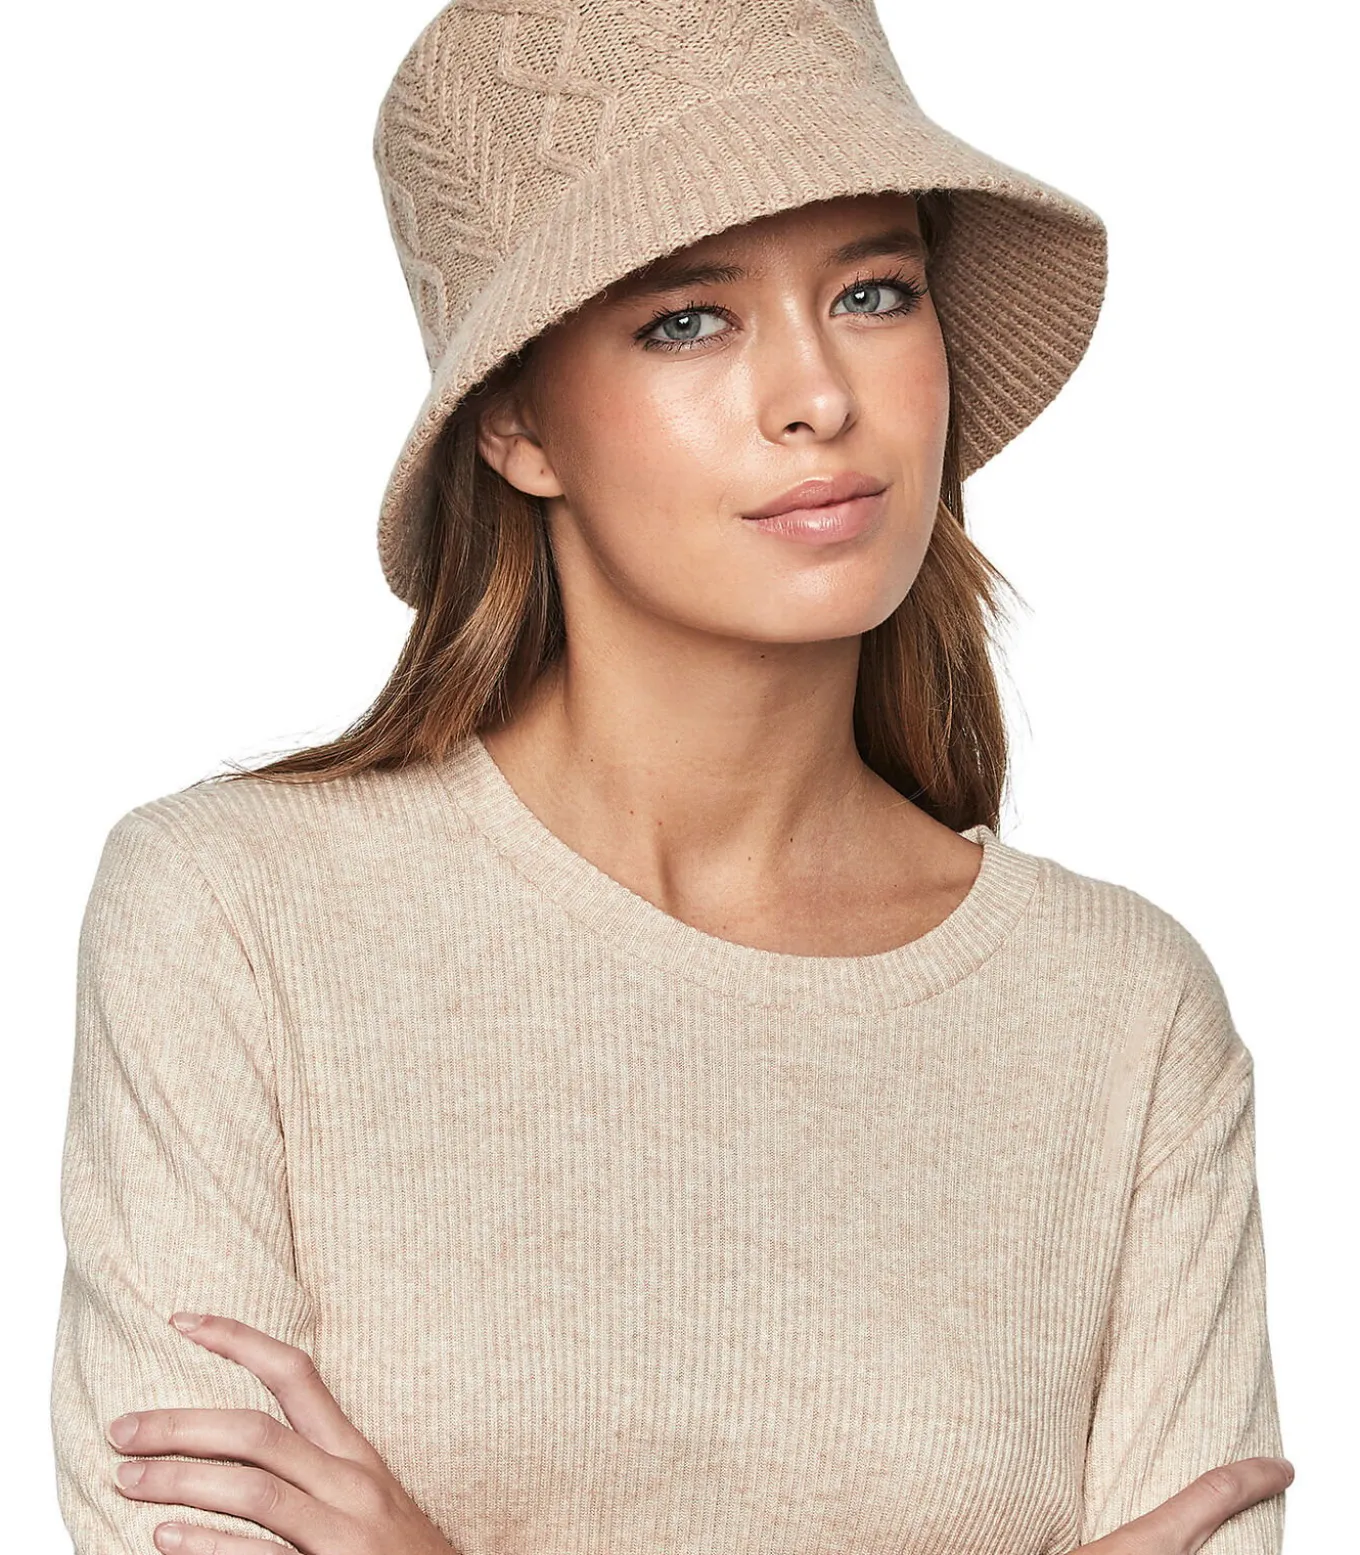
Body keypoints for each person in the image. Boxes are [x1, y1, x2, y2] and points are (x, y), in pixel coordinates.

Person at [50, 3, 1293, 1552]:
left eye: (875, 291)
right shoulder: (234, 917)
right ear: (516, 419)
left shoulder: (1123, 1018)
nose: (818, 396)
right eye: (690, 319)